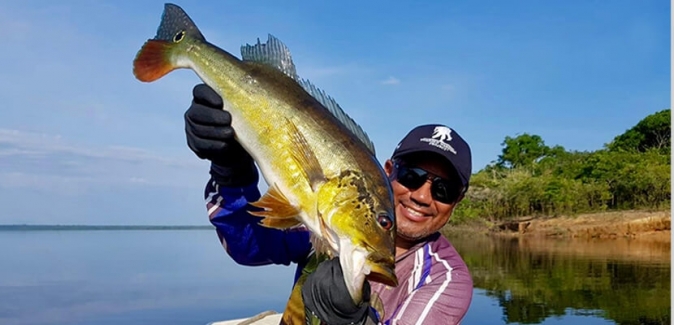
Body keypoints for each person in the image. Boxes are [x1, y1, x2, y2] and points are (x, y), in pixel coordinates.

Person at [184, 83, 474, 324]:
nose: (422, 196)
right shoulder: (327, 221)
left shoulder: (446, 279)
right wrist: (230, 172)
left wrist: (353, 320)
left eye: (443, 190)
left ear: (456, 201)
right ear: (387, 173)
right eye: (412, 176)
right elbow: (249, 246)